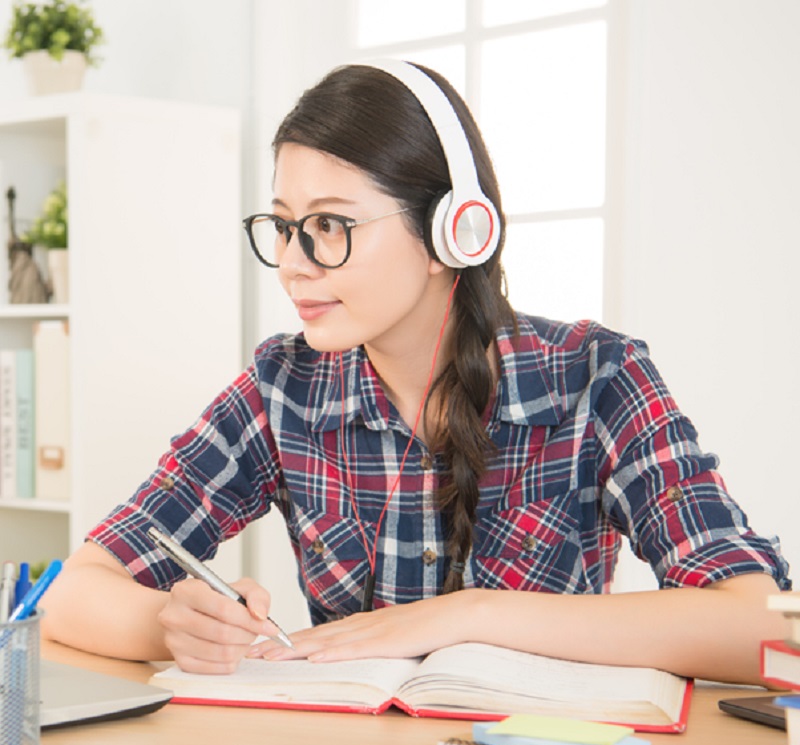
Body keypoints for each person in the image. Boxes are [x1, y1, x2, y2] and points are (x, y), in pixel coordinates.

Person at [41, 61, 790, 684]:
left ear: (452, 234)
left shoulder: (598, 376)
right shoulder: (283, 388)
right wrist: (172, 625)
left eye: (331, 226)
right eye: (284, 227)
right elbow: (74, 590)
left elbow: (760, 625)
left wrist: (466, 614)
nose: (295, 265)